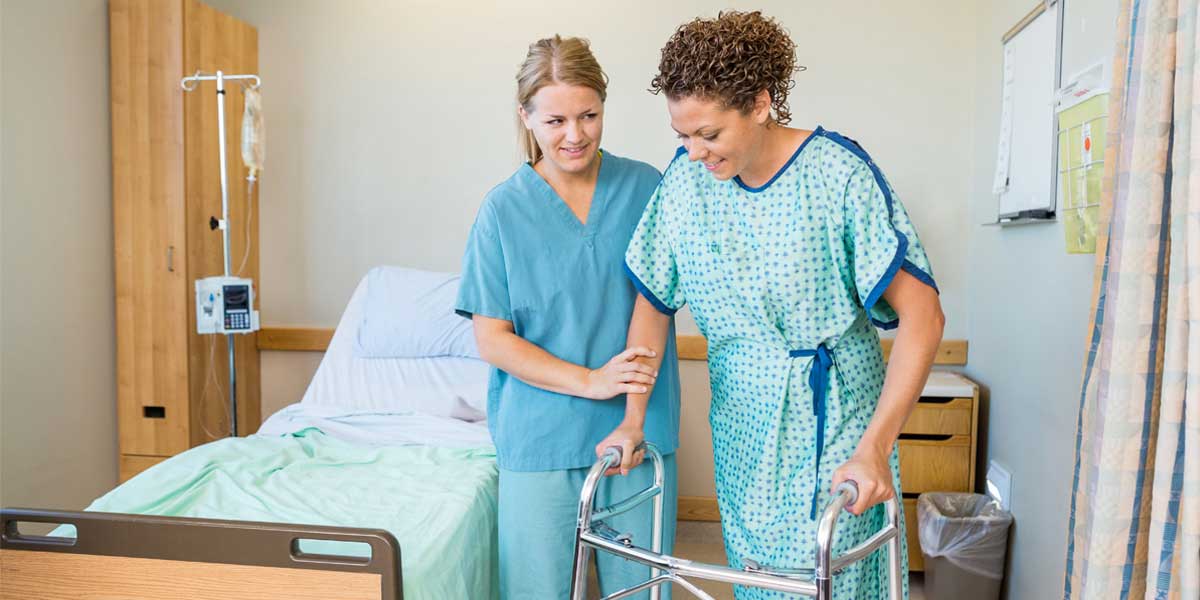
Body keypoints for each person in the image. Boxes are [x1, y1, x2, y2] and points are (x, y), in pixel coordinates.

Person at [610, 11, 944, 598]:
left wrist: (874, 449)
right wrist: (632, 419)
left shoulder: (837, 173)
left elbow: (924, 315)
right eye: (681, 136)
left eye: (709, 134)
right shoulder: (685, 185)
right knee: (758, 579)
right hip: (742, 419)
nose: (693, 152)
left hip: (837, 413)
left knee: (829, 576)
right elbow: (653, 301)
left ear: (761, 104)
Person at [455, 35, 681, 600]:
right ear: (526, 117)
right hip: (540, 437)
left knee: (643, 592)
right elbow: (493, 339)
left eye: (589, 115)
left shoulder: (648, 189)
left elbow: (661, 303)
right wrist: (590, 381)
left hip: (638, 428)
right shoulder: (502, 211)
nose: (575, 134)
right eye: (555, 120)